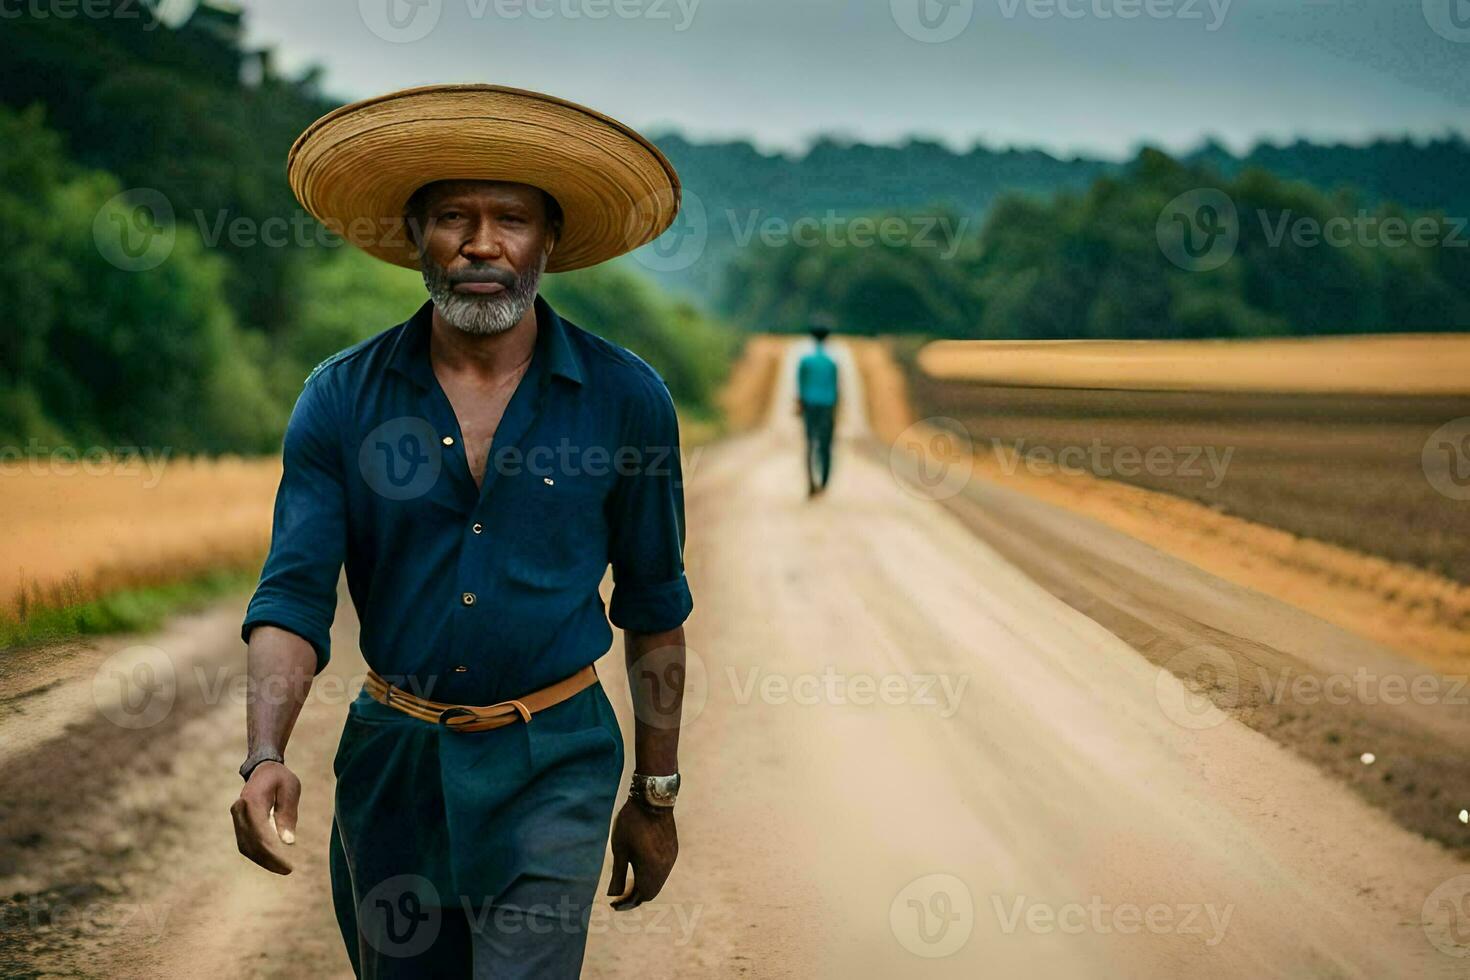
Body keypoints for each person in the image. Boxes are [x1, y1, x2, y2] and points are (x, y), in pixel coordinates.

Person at [229, 84, 693, 978]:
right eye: (453, 217)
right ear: (416, 236)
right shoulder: (341, 398)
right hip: (393, 767)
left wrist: (656, 792)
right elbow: (292, 594)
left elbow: (654, 604)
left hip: (552, 762)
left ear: (547, 240)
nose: (482, 243)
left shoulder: (625, 401)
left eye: (511, 219)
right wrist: (263, 755)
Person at [795, 323, 840, 496]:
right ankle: (824, 483)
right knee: (825, 444)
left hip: (809, 405)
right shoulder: (831, 362)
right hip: (827, 406)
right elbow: (836, 388)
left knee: (809, 443)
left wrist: (799, 404)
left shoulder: (805, 361)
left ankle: (810, 482)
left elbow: (800, 385)